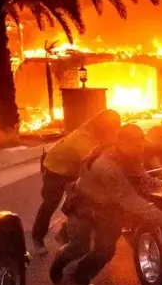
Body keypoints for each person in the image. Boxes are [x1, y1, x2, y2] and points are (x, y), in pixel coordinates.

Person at [49, 124, 162, 285]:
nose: (141, 149)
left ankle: (81, 274)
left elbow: (145, 183)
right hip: (83, 206)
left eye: (141, 144)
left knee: (105, 251)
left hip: (109, 208)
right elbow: (128, 198)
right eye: (137, 146)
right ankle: (59, 262)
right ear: (123, 143)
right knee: (79, 247)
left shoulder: (131, 155)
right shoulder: (106, 166)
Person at [31, 109, 121, 255]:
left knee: (83, 200)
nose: (113, 132)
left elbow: (120, 139)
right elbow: (94, 164)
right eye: (111, 129)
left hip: (74, 167)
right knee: (50, 203)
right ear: (102, 126)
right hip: (55, 168)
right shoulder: (83, 140)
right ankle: (37, 238)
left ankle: (63, 233)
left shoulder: (98, 127)